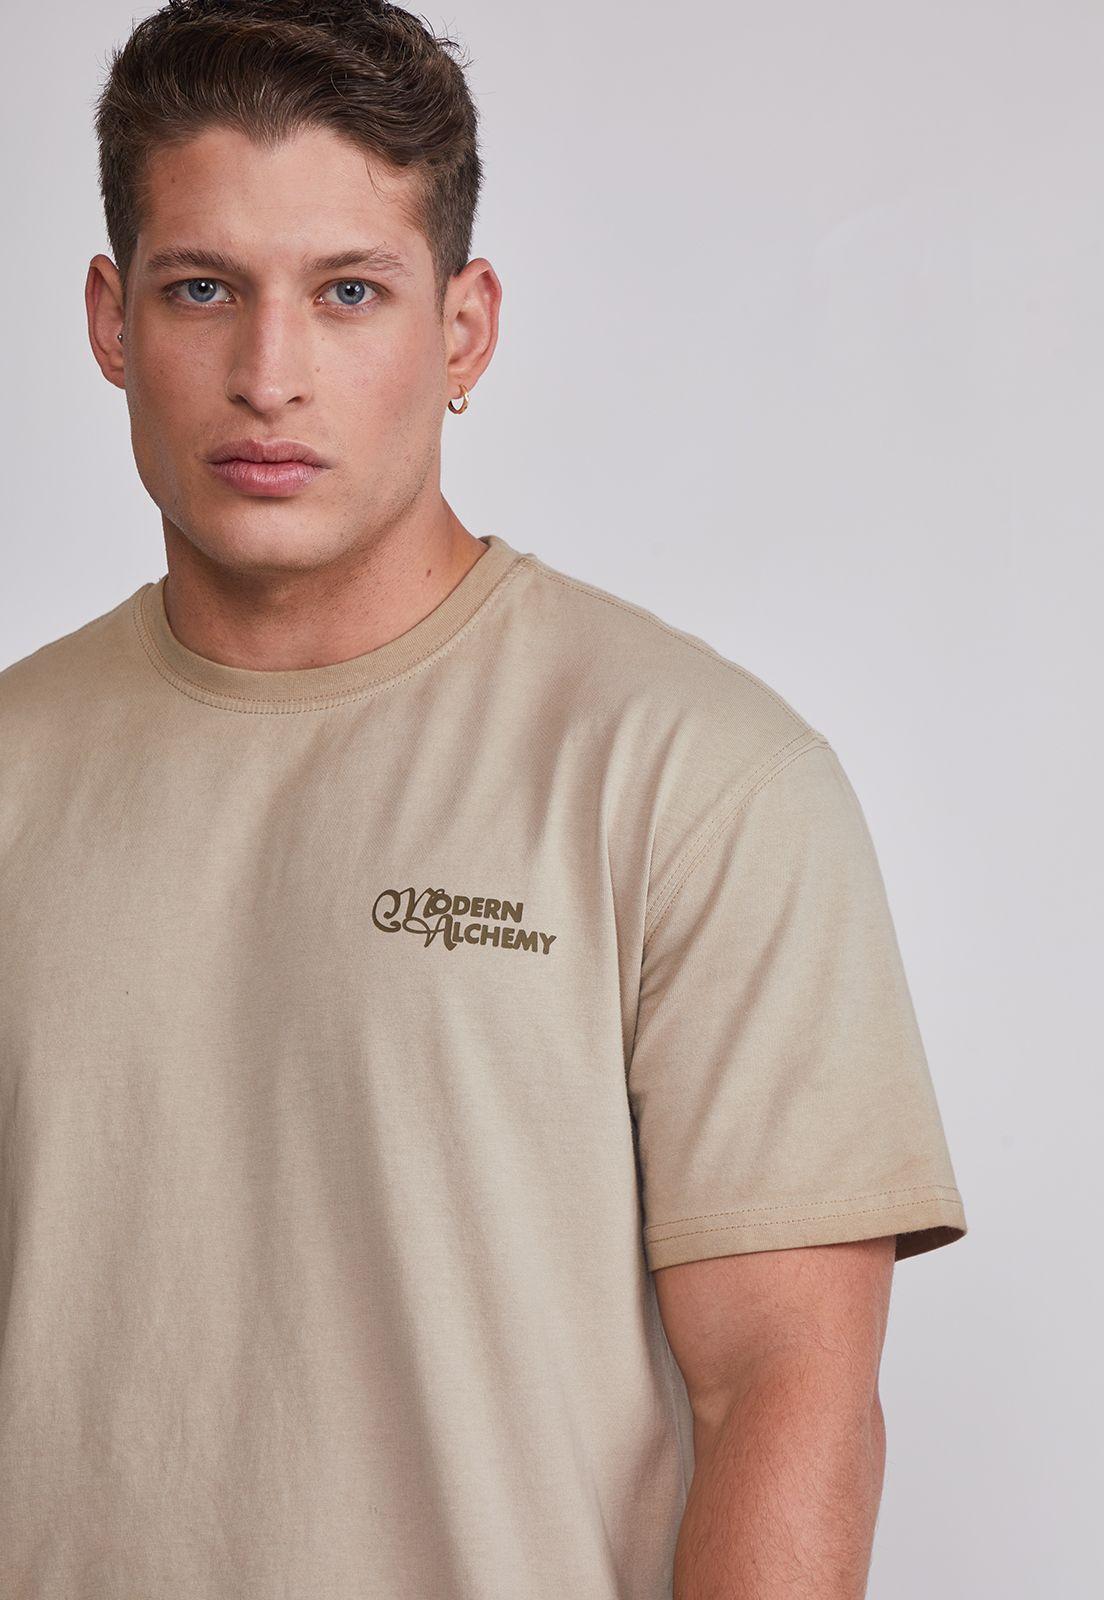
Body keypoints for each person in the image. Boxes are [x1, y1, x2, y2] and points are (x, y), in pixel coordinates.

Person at [0, 2, 968, 1595]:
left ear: (463, 330)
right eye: (203, 289)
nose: (268, 376)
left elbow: (786, 1393)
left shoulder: (691, 774)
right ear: (113, 321)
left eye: (349, 292)